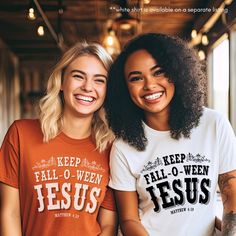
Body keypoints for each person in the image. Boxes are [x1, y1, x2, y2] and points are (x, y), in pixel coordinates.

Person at [104, 33, 236, 236]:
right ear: (124, 88)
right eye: (136, 78)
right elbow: (129, 219)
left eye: (159, 72)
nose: (149, 85)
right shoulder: (123, 147)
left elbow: (231, 192)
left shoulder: (214, 124)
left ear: (177, 73)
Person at [0, 42, 117, 236]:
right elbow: (9, 213)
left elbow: (108, 226)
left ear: (107, 91)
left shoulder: (111, 149)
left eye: (99, 80)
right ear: (62, 82)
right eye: (78, 76)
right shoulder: (21, 134)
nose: (88, 87)